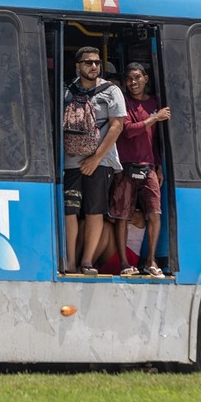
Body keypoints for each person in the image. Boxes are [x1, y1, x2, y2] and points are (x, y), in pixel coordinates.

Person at [63, 46, 126, 276]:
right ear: (78, 66)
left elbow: (117, 126)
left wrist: (95, 158)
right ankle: (70, 262)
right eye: (88, 62)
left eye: (97, 63)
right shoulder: (66, 90)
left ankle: (87, 262)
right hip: (71, 160)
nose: (93, 66)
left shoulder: (111, 91)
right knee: (70, 211)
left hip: (102, 162)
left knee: (94, 210)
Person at [109, 63, 169, 278]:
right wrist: (154, 117)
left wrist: (159, 165)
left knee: (154, 213)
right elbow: (128, 131)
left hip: (149, 167)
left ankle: (151, 261)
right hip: (125, 167)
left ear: (146, 78)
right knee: (122, 215)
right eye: (128, 79)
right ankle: (124, 264)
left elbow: (155, 140)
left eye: (136, 78)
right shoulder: (123, 101)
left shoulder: (155, 103)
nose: (132, 83)